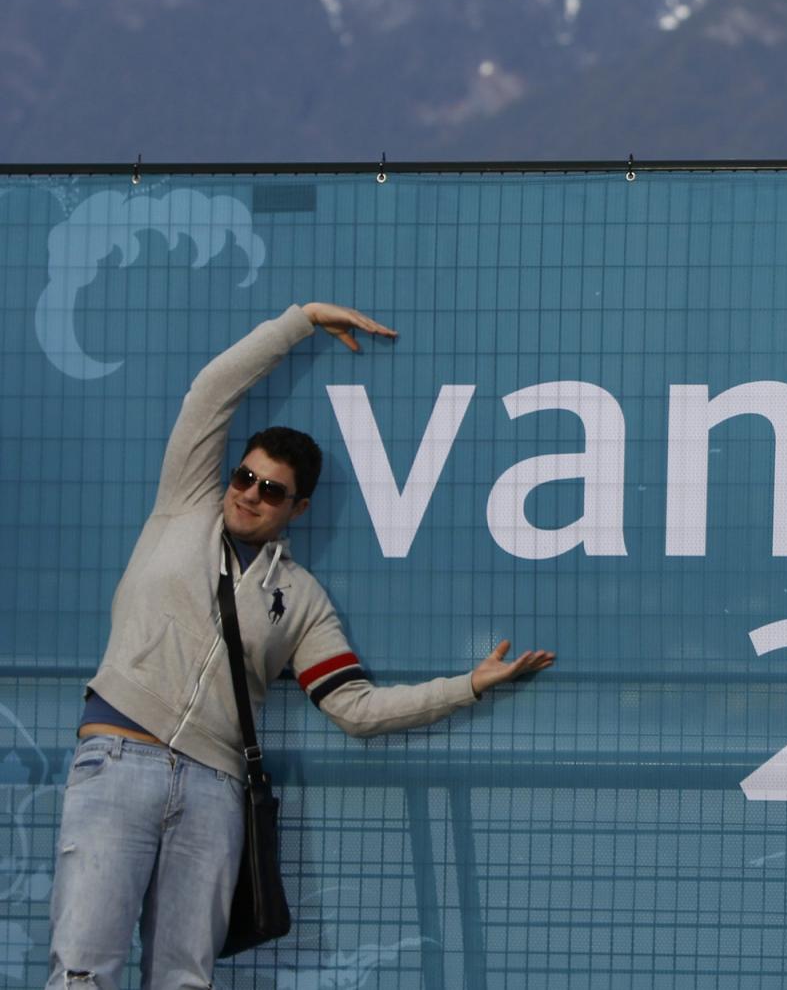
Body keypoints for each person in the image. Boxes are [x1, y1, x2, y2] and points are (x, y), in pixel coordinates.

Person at [46, 303, 555, 989]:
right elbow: (210, 391)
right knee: (84, 970)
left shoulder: (302, 598)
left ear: (297, 508)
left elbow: (355, 706)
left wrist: (466, 685)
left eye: (272, 490)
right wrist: (301, 320)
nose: (250, 494)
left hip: (214, 787)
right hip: (119, 757)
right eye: (245, 477)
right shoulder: (183, 505)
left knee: (183, 979)